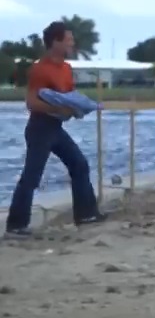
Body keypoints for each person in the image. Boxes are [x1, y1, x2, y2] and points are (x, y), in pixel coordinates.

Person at [5, 21, 107, 238]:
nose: (72, 43)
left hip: (56, 127)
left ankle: (86, 214)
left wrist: (77, 108)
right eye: (68, 40)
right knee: (32, 176)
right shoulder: (40, 69)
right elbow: (32, 103)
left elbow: (70, 96)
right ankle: (15, 226)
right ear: (55, 42)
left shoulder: (67, 69)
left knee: (79, 164)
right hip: (39, 128)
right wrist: (57, 108)